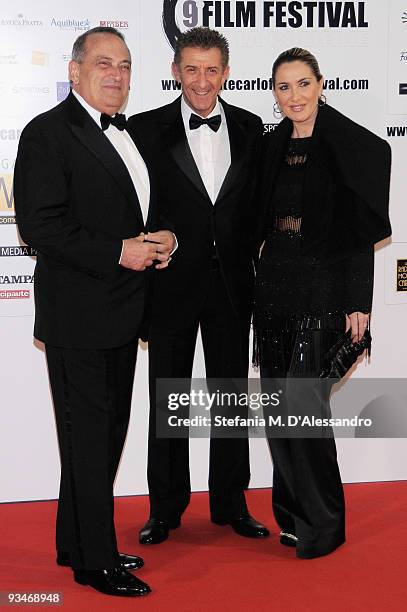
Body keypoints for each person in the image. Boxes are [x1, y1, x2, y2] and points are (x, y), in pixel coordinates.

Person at [13, 27, 175, 596]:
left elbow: (127, 213)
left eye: (126, 66)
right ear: (76, 70)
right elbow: (40, 225)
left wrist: (161, 239)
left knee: (103, 438)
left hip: (123, 313)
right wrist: (118, 251)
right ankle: (95, 562)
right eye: (104, 63)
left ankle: (74, 542)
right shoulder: (47, 133)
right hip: (78, 316)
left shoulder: (127, 135)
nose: (116, 75)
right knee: (88, 439)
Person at [128, 27, 269, 544]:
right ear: (175, 72)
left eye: (212, 69)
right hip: (169, 283)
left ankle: (231, 503)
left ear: (226, 73)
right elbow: (134, 205)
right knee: (169, 398)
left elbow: (257, 209)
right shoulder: (144, 129)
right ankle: (164, 508)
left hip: (234, 285)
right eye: (191, 68)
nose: (202, 80)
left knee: (231, 395)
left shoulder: (254, 128)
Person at [254, 47, 391, 559]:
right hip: (274, 291)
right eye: (284, 87)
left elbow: (360, 232)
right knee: (279, 409)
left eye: (303, 84)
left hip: (326, 290)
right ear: (274, 92)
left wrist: (359, 300)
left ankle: (325, 523)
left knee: (302, 405)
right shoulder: (270, 148)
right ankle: (291, 514)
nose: (295, 96)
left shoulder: (350, 145)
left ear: (321, 84)